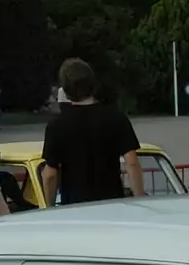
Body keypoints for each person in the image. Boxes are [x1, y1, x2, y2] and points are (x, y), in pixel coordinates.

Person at [38, 59, 142, 206]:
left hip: (75, 208)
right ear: (93, 85)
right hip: (112, 205)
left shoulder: (56, 125)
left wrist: (49, 208)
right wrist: (140, 200)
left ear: (65, 90)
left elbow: (50, 175)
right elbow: (132, 163)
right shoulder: (116, 118)